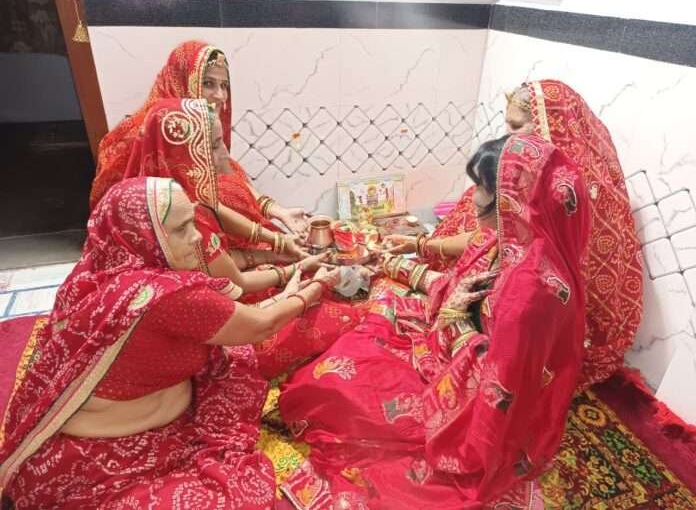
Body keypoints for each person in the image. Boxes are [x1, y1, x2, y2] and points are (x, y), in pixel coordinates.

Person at [278, 134, 590, 509]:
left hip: (473, 408)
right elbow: (460, 287)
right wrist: (396, 265)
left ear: (511, 200)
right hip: (449, 350)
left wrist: (455, 322)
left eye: (481, 188)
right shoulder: (512, 239)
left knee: (332, 388)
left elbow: (498, 386)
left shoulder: (529, 291)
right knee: (378, 308)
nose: (473, 198)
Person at [0, 176, 345, 508]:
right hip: (104, 452)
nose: (196, 237)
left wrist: (288, 282)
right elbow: (260, 326)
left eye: (192, 222)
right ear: (144, 235)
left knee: (234, 357)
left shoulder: (98, 268)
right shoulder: (167, 295)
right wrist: (317, 287)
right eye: (181, 229)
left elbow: (238, 307)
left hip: (95, 429)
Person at [386, 80, 642, 386]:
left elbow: (503, 369)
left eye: (516, 126)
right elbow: (485, 239)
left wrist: (456, 321)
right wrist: (419, 245)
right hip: (490, 306)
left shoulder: (565, 207)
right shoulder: (519, 180)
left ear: (549, 128)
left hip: (518, 339)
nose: (507, 134)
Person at [124, 98, 362, 378]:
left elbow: (224, 237)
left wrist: (277, 248)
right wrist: (301, 280)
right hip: (218, 336)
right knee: (341, 317)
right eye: (214, 145)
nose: (225, 153)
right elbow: (247, 302)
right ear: (185, 151)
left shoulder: (173, 194)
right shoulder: (183, 217)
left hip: (222, 305)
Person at [90, 40, 309, 240]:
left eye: (224, 85)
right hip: (179, 242)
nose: (220, 96)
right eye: (208, 83)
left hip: (222, 239)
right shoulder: (162, 130)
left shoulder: (206, 128)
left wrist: (279, 212)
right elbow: (200, 206)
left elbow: (230, 174)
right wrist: (275, 243)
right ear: (181, 81)